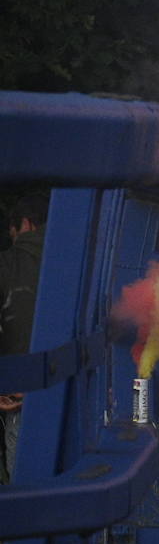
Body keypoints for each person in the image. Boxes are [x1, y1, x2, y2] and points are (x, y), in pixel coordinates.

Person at [1, 191, 48, 483]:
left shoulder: (7, 264)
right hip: (75, 399)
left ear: (25, 224)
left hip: (18, 398)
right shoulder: (84, 261)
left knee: (24, 488)